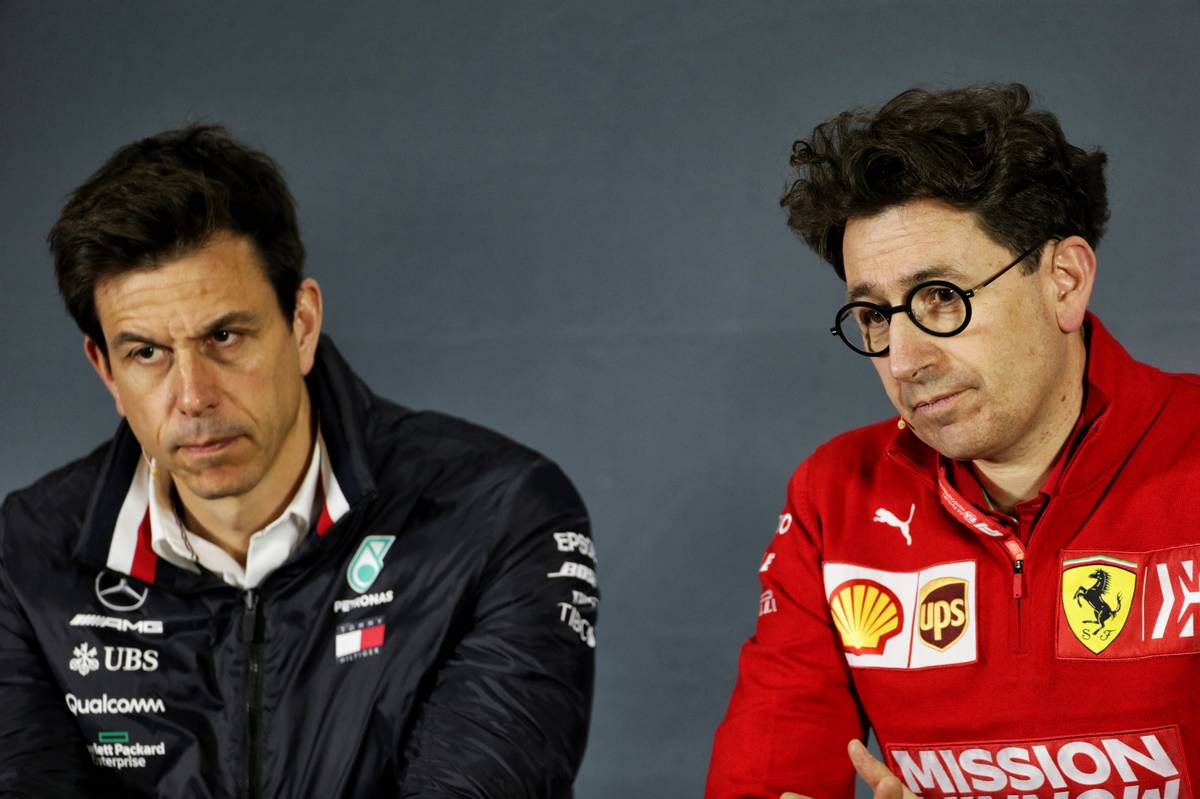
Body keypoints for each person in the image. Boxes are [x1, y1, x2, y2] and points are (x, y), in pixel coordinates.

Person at [0, 125, 598, 798]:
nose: (193, 396)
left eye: (224, 336)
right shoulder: (26, 557)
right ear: (106, 370)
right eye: (146, 353)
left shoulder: (501, 516)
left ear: (303, 323)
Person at [706, 84, 1200, 799]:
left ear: (1064, 280)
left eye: (941, 295)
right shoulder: (836, 496)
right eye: (873, 315)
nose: (904, 360)